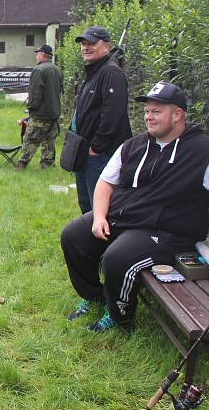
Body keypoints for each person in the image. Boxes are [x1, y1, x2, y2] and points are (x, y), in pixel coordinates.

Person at [60, 81, 209, 333]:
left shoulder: (201, 150)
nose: (148, 117)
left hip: (168, 231)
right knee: (73, 235)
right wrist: (98, 217)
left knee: (117, 258)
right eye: (147, 111)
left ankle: (119, 316)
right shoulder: (134, 145)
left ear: (178, 115)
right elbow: (105, 183)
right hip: (124, 218)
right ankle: (95, 296)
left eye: (156, 111)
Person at [69, 26, 131, 213]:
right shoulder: (94, 72)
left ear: (106, 46)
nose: (86, 47)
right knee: (87, 206)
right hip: (85, 153)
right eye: (83, 44)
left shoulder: (111, 73)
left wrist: (96, 147)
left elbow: (112, 114)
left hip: (101, 155)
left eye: (91, 43)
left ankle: (104, 242)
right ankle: (87, 241)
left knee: (101, 209)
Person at [15, 45, 62, 169]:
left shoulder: (38, 70)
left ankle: (21, 165)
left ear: (42, 54)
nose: (36, 56)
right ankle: (47, 165)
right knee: (49, 141)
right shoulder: (57, 69)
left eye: (37, 53)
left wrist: (31, 107)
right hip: (54, 112)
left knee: (30, 139)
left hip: (40, 113)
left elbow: (35, 92)